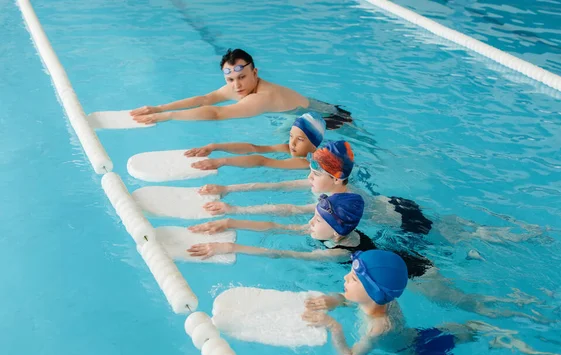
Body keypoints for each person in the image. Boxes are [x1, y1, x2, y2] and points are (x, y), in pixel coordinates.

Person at [187, 194, 544, 321]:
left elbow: (278, 250)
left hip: (412, 273)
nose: (309, 223)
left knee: (466, 303)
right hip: (393, 259)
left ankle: (521, 307)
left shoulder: (336, 253)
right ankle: (493, 248)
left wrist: (228, 247)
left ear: (337, 230)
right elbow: (271, 225)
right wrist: (230, 217)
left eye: (316, 220)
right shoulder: (330, 232)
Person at [301, 250, 561, 355]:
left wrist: (333, 326)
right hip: (423, 336)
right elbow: (356, 299)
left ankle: (532, 346)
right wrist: (335, 299)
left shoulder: (377, 329)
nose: (345, 279)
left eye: (353, 279)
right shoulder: (385, 300)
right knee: (473, 329)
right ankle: (521, 319)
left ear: (373, 291)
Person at [198, 140, 434, 235]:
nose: (309, 177)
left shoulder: (337, 200)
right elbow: (279, 184)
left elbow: (290, 209)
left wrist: (236, 212)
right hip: (393, 203)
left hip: (404, 222)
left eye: (316, 173)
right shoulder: (330, 184)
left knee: (447, 236)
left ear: (337, 179)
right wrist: (228, 189)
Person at [130, 48, 353, 128]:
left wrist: (168, 116)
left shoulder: (261, 97)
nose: (236, 85)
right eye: (230, 80)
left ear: (255, 73)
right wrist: (158, 108)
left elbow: (217, 114)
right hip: (303, 114)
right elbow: (206, 99)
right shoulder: (240, 88)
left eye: (243, 77)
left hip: (332, 119)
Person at [182, 112, 325, 170]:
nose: (292, 143)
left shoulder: (306, 163)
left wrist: (222, 161)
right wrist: (213, 146)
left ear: (314, 146)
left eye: (300, 139)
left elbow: (262, 160)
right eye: (291, 136)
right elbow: (254, 148)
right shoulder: (287, 148)